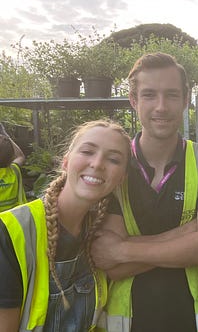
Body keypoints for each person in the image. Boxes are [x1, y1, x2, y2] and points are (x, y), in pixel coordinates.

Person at [90, 52, 198, 331]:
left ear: (186, 99)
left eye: (172, 95)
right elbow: (109, 262)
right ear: (134, 100)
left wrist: (123, 248)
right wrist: (188, 233)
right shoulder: (113, 165)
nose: (161, 106)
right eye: (150, 95)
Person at [0, 119, 131, 331]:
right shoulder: (11, 233)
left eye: (114, 159)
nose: (97, 164)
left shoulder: (100, 233)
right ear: (66, 161)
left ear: (122, 178)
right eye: (88, 151)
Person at [0, 124, 27, 212]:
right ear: (11, 158)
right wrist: (6, 136)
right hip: (15, 219)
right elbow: (20, 156)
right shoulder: (14, 171)